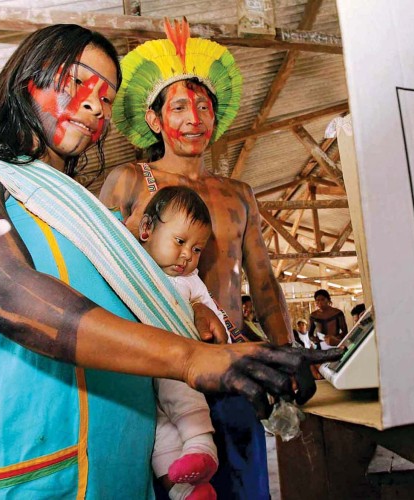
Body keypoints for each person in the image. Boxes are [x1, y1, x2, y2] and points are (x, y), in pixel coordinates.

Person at [0, 24, 341, 499]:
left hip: (123, 464)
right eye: (81, 82)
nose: (96, 104)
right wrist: (192, 356)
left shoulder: (82, 212)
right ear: (27, 77)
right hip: (31, 463)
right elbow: (12, 296)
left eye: (107, 96)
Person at [99, 19, 300, 499]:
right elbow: (100, 271)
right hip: (160, 373)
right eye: (180, 106)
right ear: (154, 120)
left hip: (234, 371)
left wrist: (287, 355)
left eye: (205, 106)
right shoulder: (128, 180)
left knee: (245, 488)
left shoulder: (239, 193)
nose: (195, 117)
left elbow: (264, 284)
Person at [140, 186, 222, 500]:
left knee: (182, 395)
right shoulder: (132, 269)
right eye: (180, 241)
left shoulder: (189, 282)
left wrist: (204, 318)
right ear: (147, 229)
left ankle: (203, 445)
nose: (188, 255)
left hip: (175, 365)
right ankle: (185, 491)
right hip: (140, 372)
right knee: (158, 432)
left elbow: (216, 324)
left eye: (197, 249)